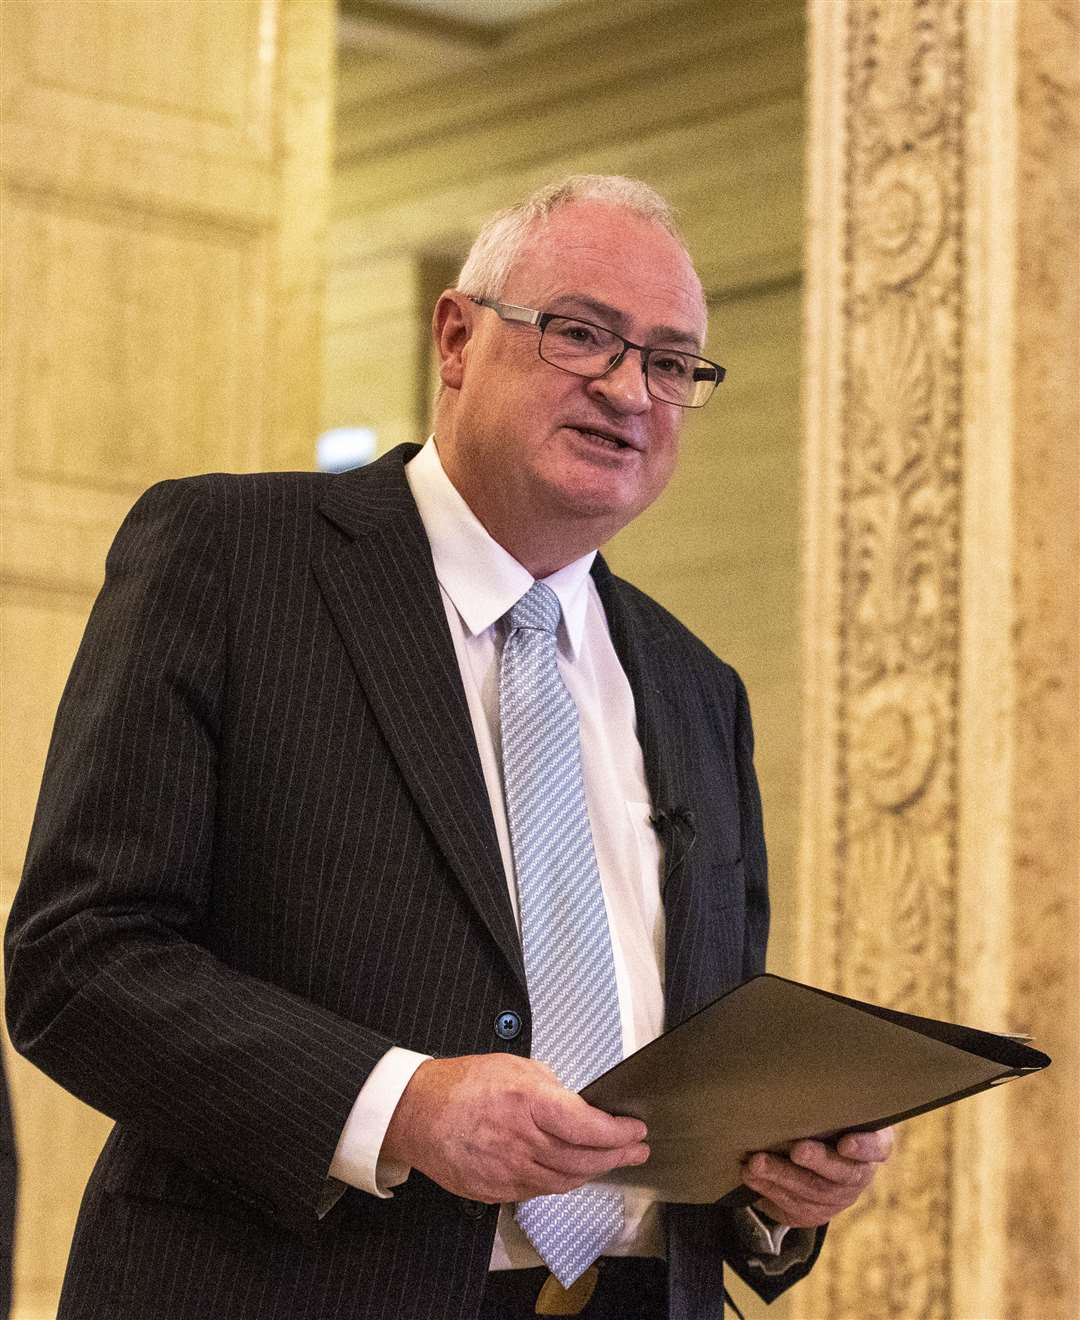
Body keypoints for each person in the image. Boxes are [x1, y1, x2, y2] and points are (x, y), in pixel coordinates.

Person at [5, 175, 891, 1320]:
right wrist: (402, 1105)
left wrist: (777, 1188)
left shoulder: (695, 688)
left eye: (672, 363)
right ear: (459, 337)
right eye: (582, 334)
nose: (630, 390)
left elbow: (697, 1047)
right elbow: (79, 959)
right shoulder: (234, 559)